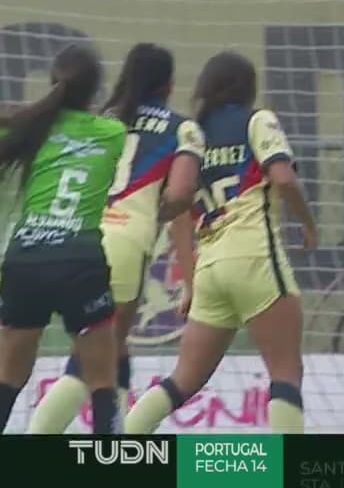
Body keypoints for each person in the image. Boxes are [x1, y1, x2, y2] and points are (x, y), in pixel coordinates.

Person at [124, 51, 317, 434]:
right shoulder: (257, 120)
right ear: (248, 89)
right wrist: (309, 225)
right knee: (286, 372)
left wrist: (190, 283)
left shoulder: (192, 135)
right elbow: (283, 178)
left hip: (210, 267)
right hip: (254, 257)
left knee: (183, 380)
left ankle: (120, 444)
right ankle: (287, 468)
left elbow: (179, 216)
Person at [28, 43, 204, 433]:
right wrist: (152, 216)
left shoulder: (104, 118)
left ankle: (118, 445)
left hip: (81, 235)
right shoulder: (183, 129)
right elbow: (180, 197)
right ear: (169, 85)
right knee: (93, 362)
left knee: (113, 350)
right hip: (126, 244)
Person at [0, 44, 126, 434]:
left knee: (8, 375)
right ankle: (112, 462)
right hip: (78, 258)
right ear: (95, 90)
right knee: (102, 379)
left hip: (26, 257)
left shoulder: (31, 129)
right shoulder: (112, 133)